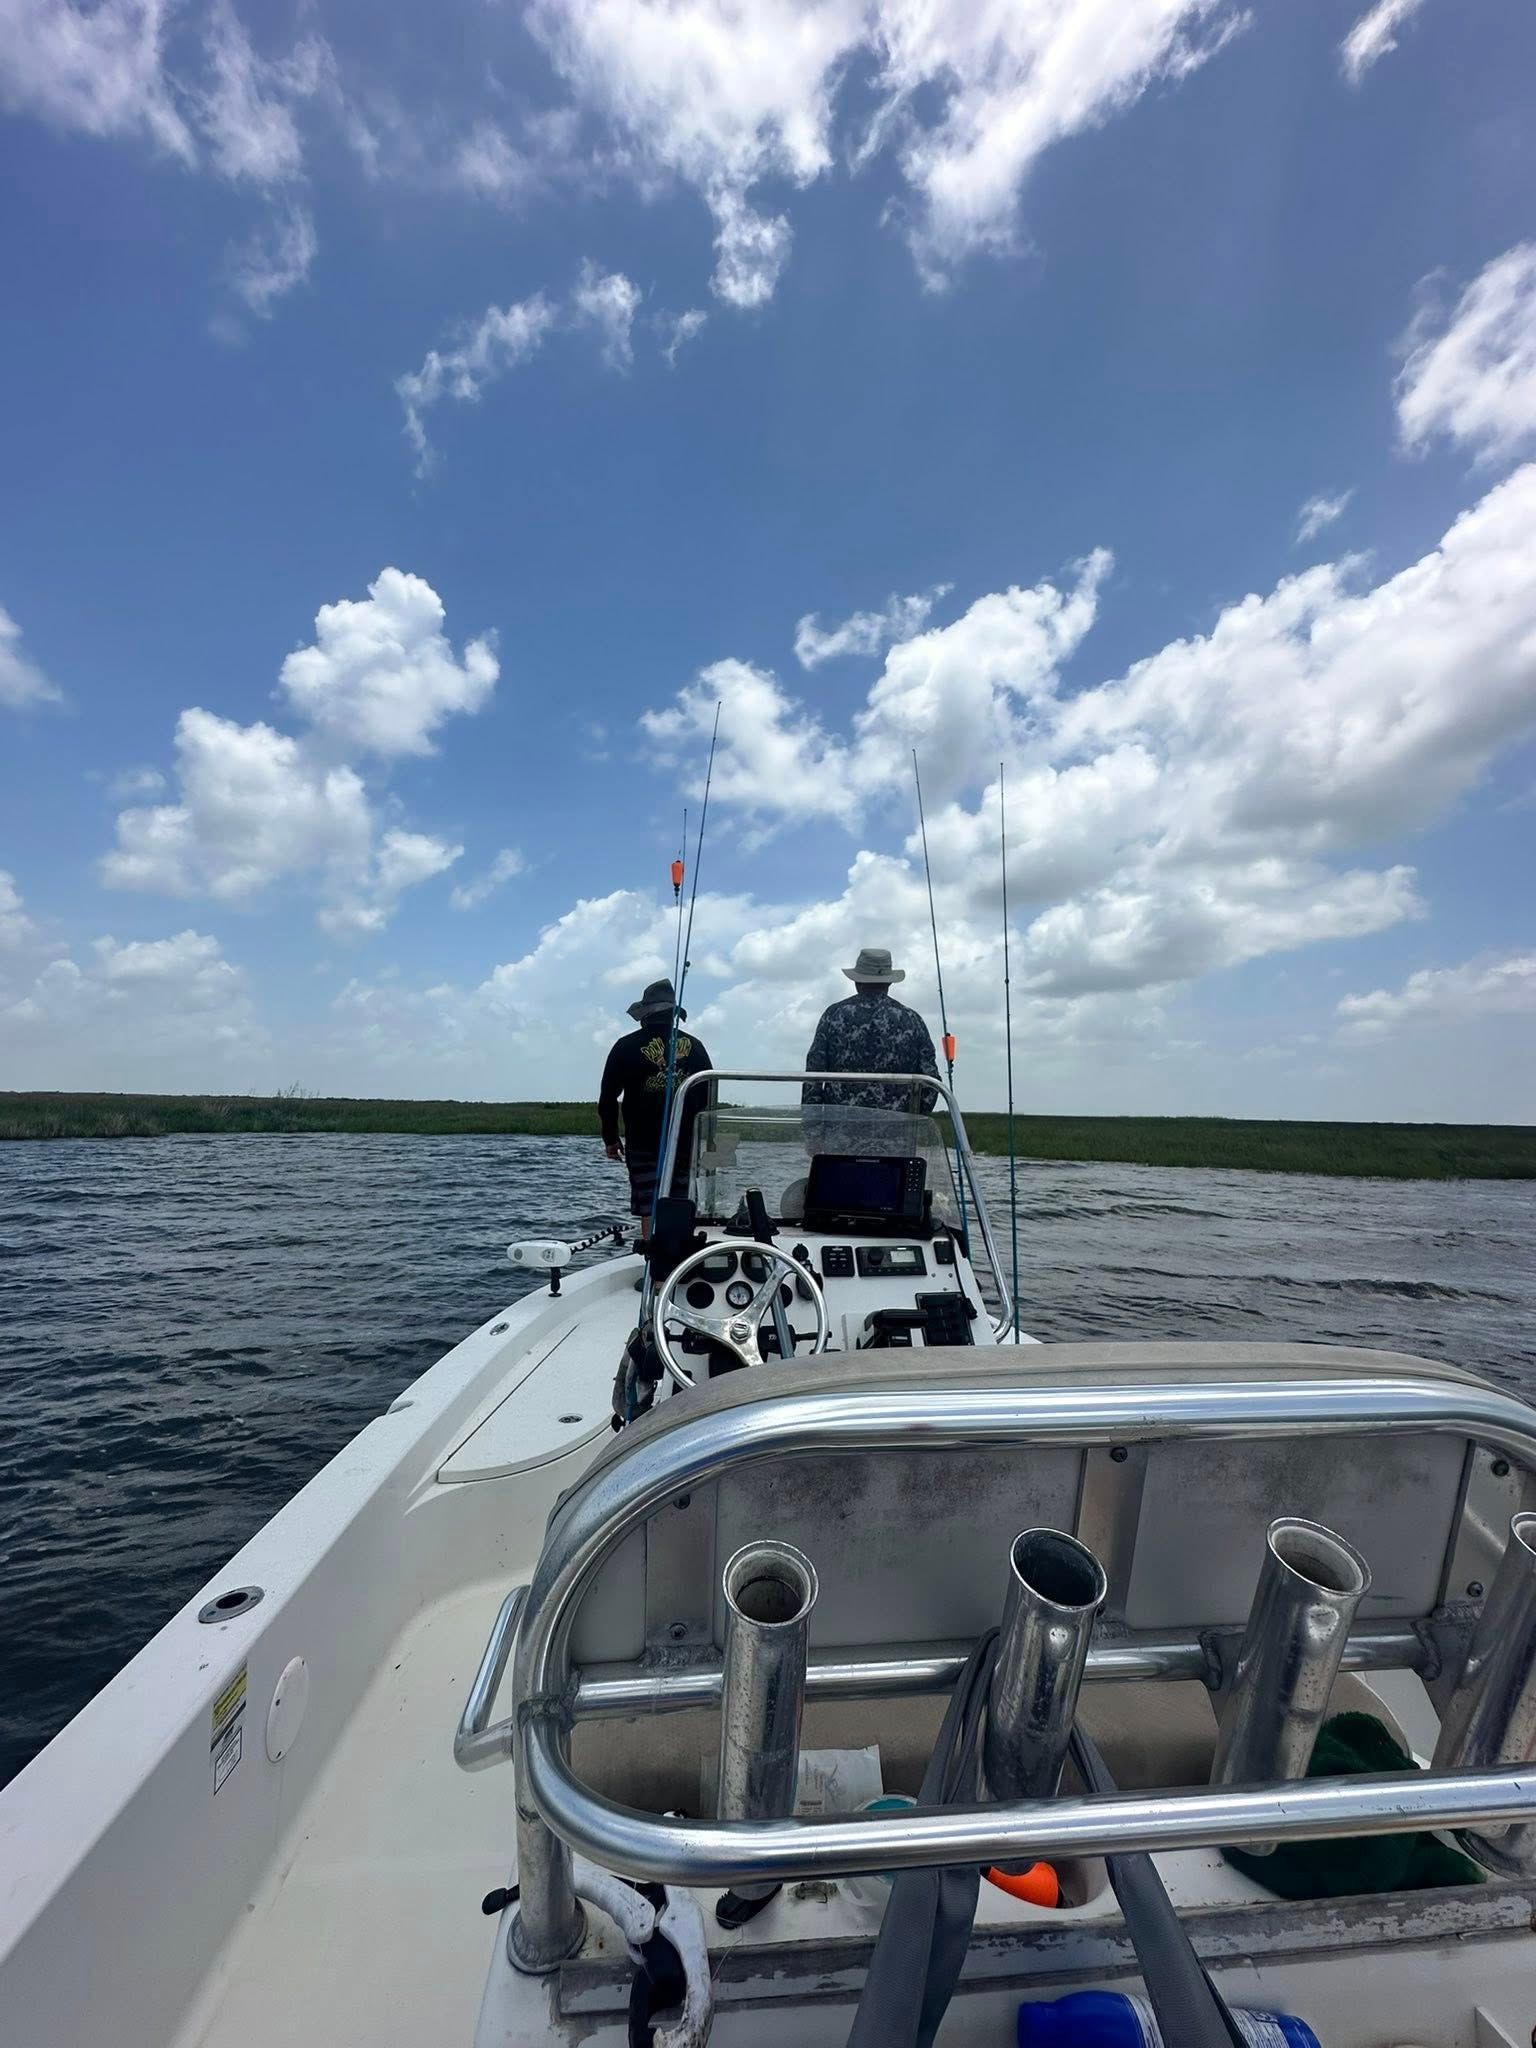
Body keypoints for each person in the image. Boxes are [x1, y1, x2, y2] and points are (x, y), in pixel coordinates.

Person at [600, 979, 713, 1239]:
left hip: (641, 1143)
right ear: (673, 1015)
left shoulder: (624, 1046)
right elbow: (709, 1095)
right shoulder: (695, 1047)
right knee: (681, 1200)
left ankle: (655, 1271)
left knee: (650, 1205)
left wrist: (610, 1138)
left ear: (644, 1016)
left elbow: (608, 1097)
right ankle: (678, 1261)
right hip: (686, 1143)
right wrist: (706, 1141)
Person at [801, 947, 940, 1114]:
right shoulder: (912, 1019)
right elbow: (931, 1081)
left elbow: (814, 1075)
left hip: (839, 1130)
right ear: (889, 982)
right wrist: (915, 1120)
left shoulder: (833, 1015)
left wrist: (814, 1129)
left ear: (857, 981)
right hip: (898, 1133)